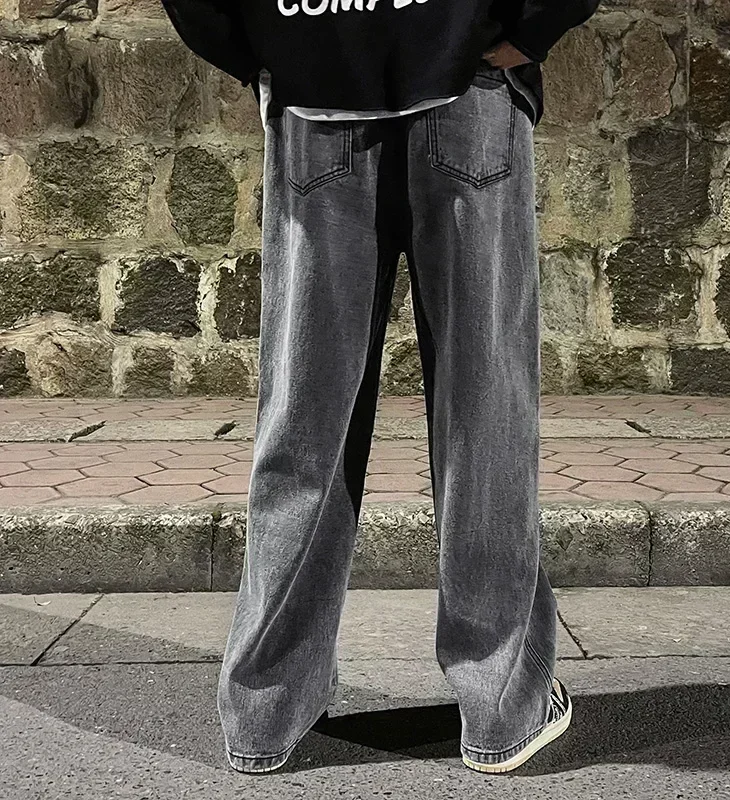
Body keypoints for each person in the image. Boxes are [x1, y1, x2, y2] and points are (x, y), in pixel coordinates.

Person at [161, 0, 600, 776]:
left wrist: (264, 46)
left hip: (318, 81)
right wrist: (529, 23)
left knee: (305, 418)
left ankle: (265, 714)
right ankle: (501, 706)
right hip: (467, 78)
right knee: (485, 415)